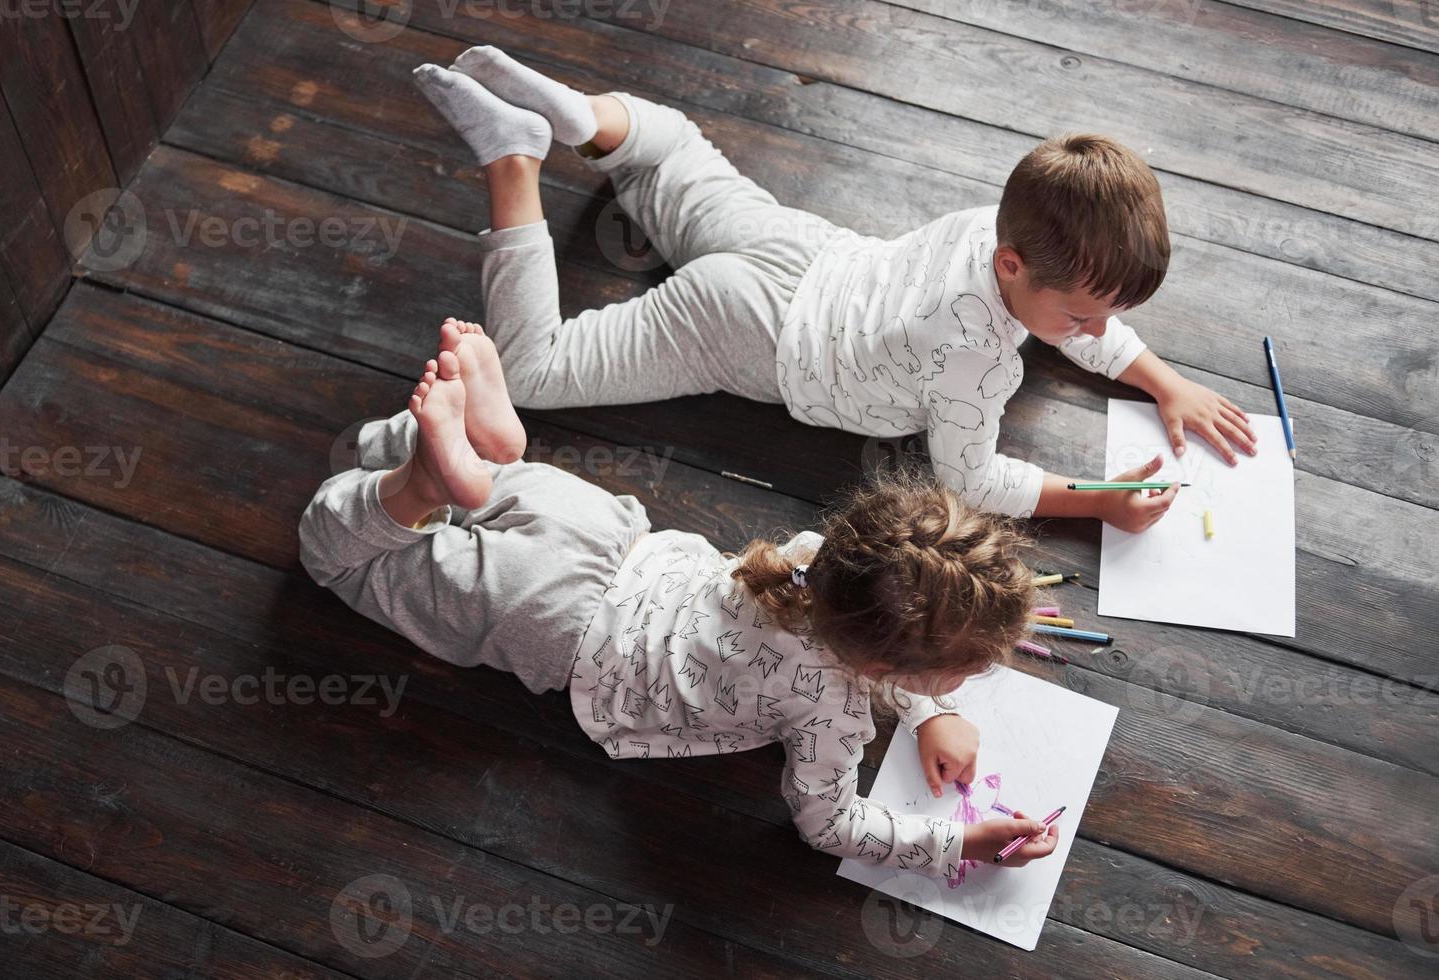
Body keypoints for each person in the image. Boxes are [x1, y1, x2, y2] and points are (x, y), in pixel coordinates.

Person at [297, 319, 1059, 884]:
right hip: (553, 622)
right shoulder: (831, 713)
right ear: (889, 662)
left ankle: (482, 455)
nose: (970, 682)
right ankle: (419, 489)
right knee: (336, 556)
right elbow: (828, 823)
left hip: (601, 531)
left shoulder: (820, 559)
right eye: (964, 672)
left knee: (480, 483)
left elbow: (890, 608)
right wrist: (960, 843)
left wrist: (933, 710)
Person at [410, 47, 1259, 534]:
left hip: (801, 250)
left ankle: (586, 115)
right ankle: (513, 162)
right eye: (1085, 316)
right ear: (1014, 270)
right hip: (748, 333)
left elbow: (1075, 313)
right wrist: (1098, 504)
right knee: (532, 373)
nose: (1092, 332)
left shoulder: (999, 227)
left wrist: (1160, 377)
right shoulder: (975, 366)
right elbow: (970, 480)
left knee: (669, 157)